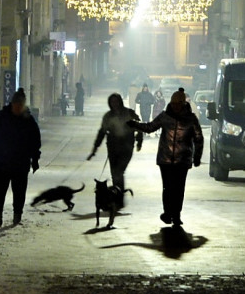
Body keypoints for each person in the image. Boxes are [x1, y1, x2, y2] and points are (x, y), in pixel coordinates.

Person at [128, 88, 204, 228]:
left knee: (178, 189)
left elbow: (198, 138)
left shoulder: (190, 119)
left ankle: (176, 215)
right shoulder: (165, 116)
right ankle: (168, 213)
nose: (176, 106)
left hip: (182, 160)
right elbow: (150, 127)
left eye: (178, 103)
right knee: (168, 188)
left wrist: (197, 157)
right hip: (166, 159)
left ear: (183, 104)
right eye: (174, 103)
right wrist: (135, 125)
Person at [0, 89, 41, 227]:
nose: (17, 108)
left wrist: (35, 159)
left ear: (23, 105)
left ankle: (17, 215)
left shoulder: (29, 121)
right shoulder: (1, 117)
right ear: (12, 104)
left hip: (20, 164)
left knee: (19, 192)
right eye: (16, 105)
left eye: (20, 106)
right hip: (1, 162)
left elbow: (35, 142)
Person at [87, 93, 144, 190]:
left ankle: (119, 193)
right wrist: (95, 148)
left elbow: (139, 127)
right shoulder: (108, 116)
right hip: (113, 147)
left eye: (116, 101)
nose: (114, 104)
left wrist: (139, 142)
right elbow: (102, 132)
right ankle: (117, 193)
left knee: (119, 171)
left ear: (120, 102)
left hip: (126, 147)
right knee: (114, 173)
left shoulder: (129, 113)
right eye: (112, 102)